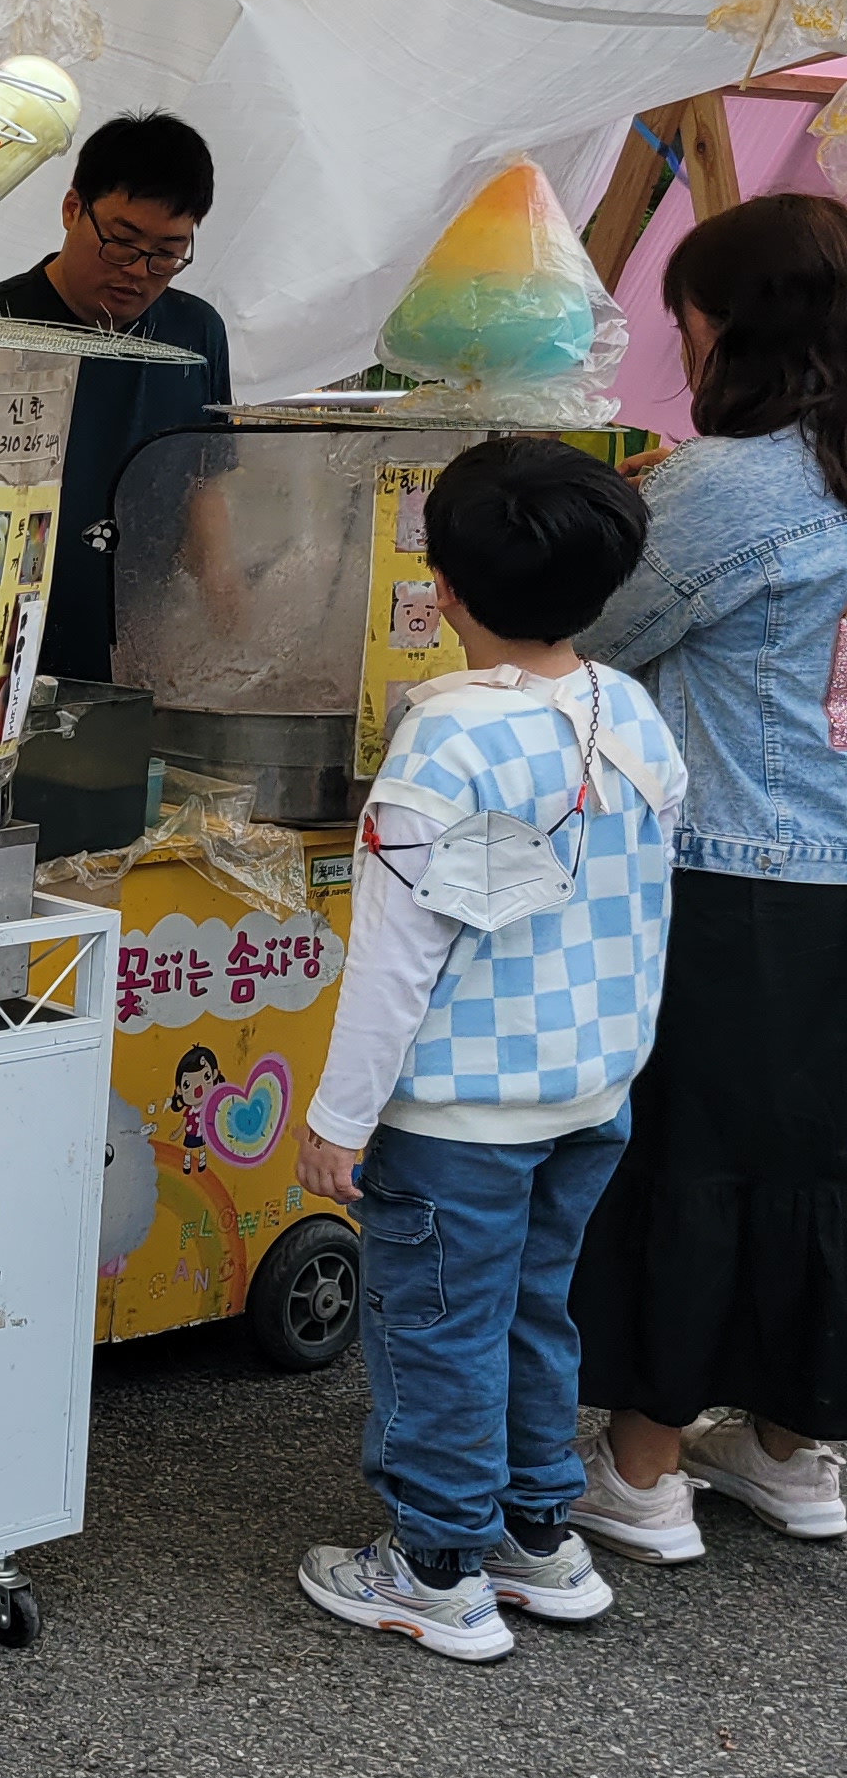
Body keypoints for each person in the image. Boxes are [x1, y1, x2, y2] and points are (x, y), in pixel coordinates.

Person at [289, 437, 680, 1663]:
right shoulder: (630, 710)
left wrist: (339, 1119)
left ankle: (437, 1562)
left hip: (460, 1113)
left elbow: (395, 962)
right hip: (592, 1089)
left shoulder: (443, 747)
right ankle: (534, 1531)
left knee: (439, 1327)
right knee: (531, 1312)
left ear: (441, 587)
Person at [563, 193, 847, 1563]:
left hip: (741, 875)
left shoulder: (739, 484)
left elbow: (585, 620)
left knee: (697, 1165)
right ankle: (794, 1451)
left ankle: (643, 1472)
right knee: (820, 1169)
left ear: (730, 326)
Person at [0, 111, 231, 683]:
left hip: (144, 655)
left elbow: (205, 489)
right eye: (121, 243)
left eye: (167, 253)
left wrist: (232, 617)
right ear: (72, 209)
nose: (139, 273)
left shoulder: (197, 334)